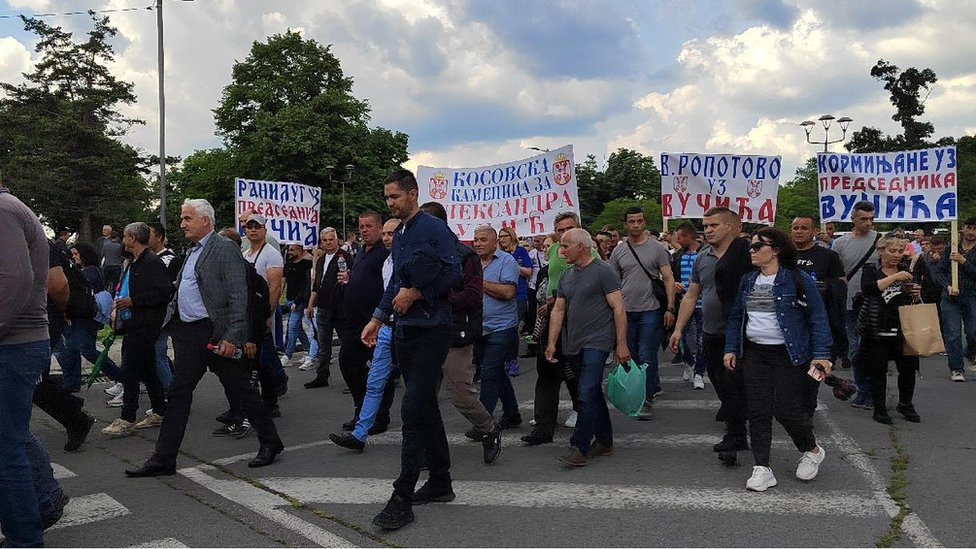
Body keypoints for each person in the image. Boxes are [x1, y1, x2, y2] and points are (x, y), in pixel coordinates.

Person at [125, 199, 284, 477]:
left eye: (187, 218)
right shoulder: (192, 251)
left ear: (205, 221)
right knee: (178, 393)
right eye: (182, 218)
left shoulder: (224, 248)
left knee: (241, 389)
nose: (182, 224)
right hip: (189, 333)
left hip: (215, 332)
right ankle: (164, 459)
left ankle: (270, 441)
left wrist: (233, 336)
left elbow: (239, 295)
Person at [360, 169, 461, 530]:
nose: (390, 203)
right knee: (425, 405)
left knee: (413, 408)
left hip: (433, 329)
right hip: (404, 329)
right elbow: (397, 284)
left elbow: (455, 274)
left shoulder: (434, 229)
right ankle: (441, 481)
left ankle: (402, 496)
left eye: (395, 197)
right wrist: (377, 317)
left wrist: (419, 293)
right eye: (387, 197)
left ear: (413, 194)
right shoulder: (400, 234)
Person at [723, 227, 832, 491]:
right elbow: (737, 316)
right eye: (751, 246)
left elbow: (818, 317)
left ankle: (812, 450)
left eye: (757, 246)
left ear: (776, 251)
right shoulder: (748, 280)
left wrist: (822, 355)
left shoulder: (798, 279)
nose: (751, 251)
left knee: (785, 409)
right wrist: (731, 347)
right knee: (758, 410)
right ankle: (762, 467)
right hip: (755, 353)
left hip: (789, 355)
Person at [1, 184, 68, 546]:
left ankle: (25, 538)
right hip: (18, 343)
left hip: (13, 345)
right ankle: (43, 502)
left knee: (5, 449)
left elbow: (16, 280)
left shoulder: (3, 210)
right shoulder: (11, 207)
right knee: (11, 437)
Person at [419, 202, 502, 463]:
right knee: (422, 396)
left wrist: (434, 298)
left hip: (455, 332)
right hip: (424, 331)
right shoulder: (419, 253)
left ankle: (488, 427)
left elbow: (473, 296)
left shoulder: (464, 256)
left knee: (460, 392)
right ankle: (427, 450)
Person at [669, 207, 752, 464]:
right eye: (705, 226)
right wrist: (678, 329)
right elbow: (692, 295)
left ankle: (737, 434)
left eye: (714, 225)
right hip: (710, 331)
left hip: (739, 334)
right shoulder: (702, 258)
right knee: (720, 382)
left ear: (731, 226)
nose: (708, 230)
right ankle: (736, 420)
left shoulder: (749, 256)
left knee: (735, 383)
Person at [546, 228, 630, 467]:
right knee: (592, 392)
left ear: (581, 247)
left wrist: (621, 344)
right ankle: (604, 440)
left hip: (598, 342)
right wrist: (551, 342)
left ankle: (579, 446)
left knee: (585, 392)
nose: (561, 251)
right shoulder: (567, 275)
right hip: (573, 343)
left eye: (565, 246)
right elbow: (558, 310)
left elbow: (618, 308)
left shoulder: (604, 271)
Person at [329, 218, 400, 452]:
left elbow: (391, 291)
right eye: (361, 227)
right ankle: (361, 424)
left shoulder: (392, 256)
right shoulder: (361, 253)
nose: (364, 230)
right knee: (354, 366)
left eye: (370, 226)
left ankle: (379, 418)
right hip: (362, 323)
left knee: (385, 376)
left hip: (384, 324)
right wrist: (348, 281)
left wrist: (378, 317)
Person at [521, 212, 591, 445]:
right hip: (554, 321)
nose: (565, 234)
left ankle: (586, 418)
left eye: (569, 229)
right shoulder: (552, 252)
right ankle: (543, 428)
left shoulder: (592, 257)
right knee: (547, 374)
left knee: (575, 375)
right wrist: (550, 302)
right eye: (560, 230)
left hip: (580, 324)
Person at [100, 223, 172, 437]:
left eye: (125, 236)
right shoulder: (134, 261)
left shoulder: (151, 262)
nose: (122, 241)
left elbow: (163, 292)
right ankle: (160, 410)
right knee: (148, 370)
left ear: (132, 238)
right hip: (133, 322)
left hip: (145, 325)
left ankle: (127, 417)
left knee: (130, 371)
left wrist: (134, 301)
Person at [608, 206, 676, 409]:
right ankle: (647, 387)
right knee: (631, 353)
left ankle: (646, 396)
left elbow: (668, 278)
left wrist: (670, 308)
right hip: (626, 310)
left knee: (647, 353)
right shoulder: (619, 251)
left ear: (644, 222)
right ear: (625, 224)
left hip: (650, 309)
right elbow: (612, 282)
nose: (636, 225)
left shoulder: (657, 248)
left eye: (639, 221)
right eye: (632, 221)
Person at [858, 235, 923, 424]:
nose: (896, 255)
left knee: (908, 369)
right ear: (881, 251)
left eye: (900, 251)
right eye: (892, 251)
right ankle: (879, 408)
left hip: (903, 328)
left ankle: (905, 403)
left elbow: (913, 298)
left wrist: (916, 294)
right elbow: (868, 289)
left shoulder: (906, 270)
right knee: (878, 371)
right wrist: (895, 277)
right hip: (877, 327)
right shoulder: (872, 269)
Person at [831, 201, 880, 407]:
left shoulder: (881, 241)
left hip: (874, 305)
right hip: (849, 303)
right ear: (853, 219)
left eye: (871, 219)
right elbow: (834, 273)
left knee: (872, 351)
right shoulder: (840, 243)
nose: (868, 223)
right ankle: (863, 391)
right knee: (855, 350)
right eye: (863, 219)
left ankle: (874, 392)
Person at [56, 243, 122, 393]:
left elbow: (79, 291)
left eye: (76, 254)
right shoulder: (89, 270)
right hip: (85, 315)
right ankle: (71, 383)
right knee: (72, 349)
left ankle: (121, 377)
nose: (74, 257)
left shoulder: (88, 272)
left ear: (84, 255)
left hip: (86, 315)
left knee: (85, 350)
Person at [474, 226, 522, 427]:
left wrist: (479, 282)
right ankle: (512, 413)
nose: (478, 244)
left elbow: (508, 292)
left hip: (502, 327)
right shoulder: (471, 262)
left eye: (483, 240)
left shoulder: (507, 261)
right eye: (476, 240)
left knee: (489, 372)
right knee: (496, 372)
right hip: (479, 327)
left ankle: (483, 423)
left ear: (495, 243)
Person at [243, 215, 288, 403]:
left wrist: (269, 313)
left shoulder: (271, 254)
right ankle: (277, 379)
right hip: (250, 312)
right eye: (249, 227)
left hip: (263, 312)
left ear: (264, 230)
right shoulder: (246, 254)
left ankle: (271, 389)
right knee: (264, 350)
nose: (253, 230)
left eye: (257, 227)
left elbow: (275, 287)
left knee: (263, 353)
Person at [305, 227, 352, 388]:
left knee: (347, 344)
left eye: (331, 239)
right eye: (325, 240)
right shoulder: (321, 260)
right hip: (323, 308)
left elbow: (350, 279)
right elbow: (316, 285)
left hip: (340, 308)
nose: (328, 243)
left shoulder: (344, 257)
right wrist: (310, 304)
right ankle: (322, 376)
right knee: (323, 344)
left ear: (336, 239)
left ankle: (352, 377)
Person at [936, 217, 976, 382]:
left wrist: (963, 261)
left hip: (972, 297)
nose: (971, 232)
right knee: (953, 334)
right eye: (969, 228)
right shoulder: (951, 248)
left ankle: (970, 352)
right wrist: (947, 286)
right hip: (951, 298)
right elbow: (939, 271)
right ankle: (956, 368)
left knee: (972, 332)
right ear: (962, 229)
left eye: (975, 229)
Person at [672, 222, 705, 389]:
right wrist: (674, 284)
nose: (677, 240)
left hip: (703, 303)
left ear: (687, 236)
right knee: (681, 337)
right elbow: (670, 276)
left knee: (702, 339)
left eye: (679, 237)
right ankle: (689, 362)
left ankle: (699, 373)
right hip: (683, 302)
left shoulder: (705, 254)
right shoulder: (678, 256)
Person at [148, 222, 180, 394]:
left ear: (159, 237)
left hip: (163, 313)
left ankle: (171, 391)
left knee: (157, 353)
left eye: (149, 235)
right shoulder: (149, 258)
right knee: (156, 353)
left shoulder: (168, 260)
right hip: (152, 313)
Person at [498, 226, 532, 377]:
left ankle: (512, 360)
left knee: (512, 329)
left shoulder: (521, 251)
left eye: (505, 236)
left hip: (519, 295)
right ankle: (504, 359)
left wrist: (513, 265)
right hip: (502, 295)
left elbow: (528, 271)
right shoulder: (498, 253)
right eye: (500, 236)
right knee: (502, 329)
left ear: (511, 236)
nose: (502, 239)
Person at [282, 244, 314, 363]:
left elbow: (306, 285)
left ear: (301, 251)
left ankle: (288, 355)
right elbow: (283, 282)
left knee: (292, 327)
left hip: (299, 301)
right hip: (289, 299)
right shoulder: (288, 265)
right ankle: (308, 349)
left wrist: (297, 300)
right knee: (298, 328)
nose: (289, 252)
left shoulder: (307, 264)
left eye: (292, 250)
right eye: (289, 249)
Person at [522, 234, 548, 355]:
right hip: (533, 286)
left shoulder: (550, 253)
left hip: (545, 287)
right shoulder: (532, 253)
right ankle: (532, 346)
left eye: (539, 241)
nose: (537, 244)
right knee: (532, 315)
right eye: (535, 241)